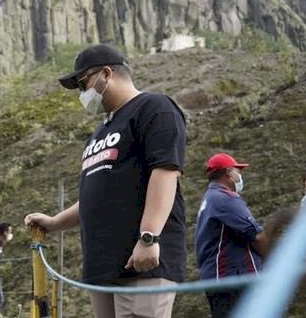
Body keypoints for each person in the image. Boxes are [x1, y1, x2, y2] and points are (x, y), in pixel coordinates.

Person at [24, 44, 187, 318]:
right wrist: (54, 223)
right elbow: (95, 195)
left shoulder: (154, 108)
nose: (82, 94)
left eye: (82, 83)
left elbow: (165, 172)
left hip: (141, 263)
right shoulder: (101, 131)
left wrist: (148, 236)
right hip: (102, 270)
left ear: (106, 74)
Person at [195, 153, 269, 318]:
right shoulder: (224, 198)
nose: (240, 176)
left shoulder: (209, 199)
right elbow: (257, 236)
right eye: (238, 171)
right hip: (234, 281)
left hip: (219, 281)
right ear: (229, 172)